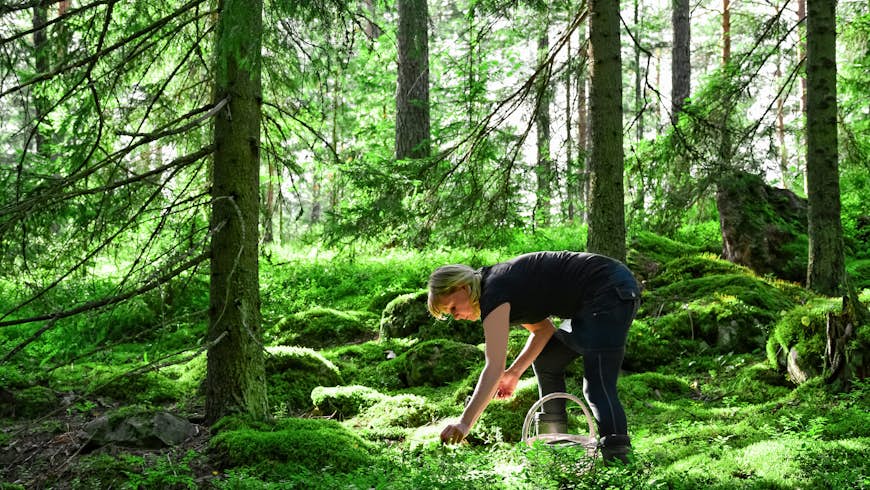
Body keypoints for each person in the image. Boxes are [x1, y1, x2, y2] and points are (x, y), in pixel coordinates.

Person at [426, 251, 640, 462]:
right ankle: (555, 444)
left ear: (462, 287)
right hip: (595, 301)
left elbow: (493, 367)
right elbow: (543, 330)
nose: (455, 316)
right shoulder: (499, 286)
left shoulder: (493, 292)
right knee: (549, 360)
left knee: (597, 385)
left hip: (608, 291)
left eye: (452, 307)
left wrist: (464, 424)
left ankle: (619, 462)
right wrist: (514, 373)